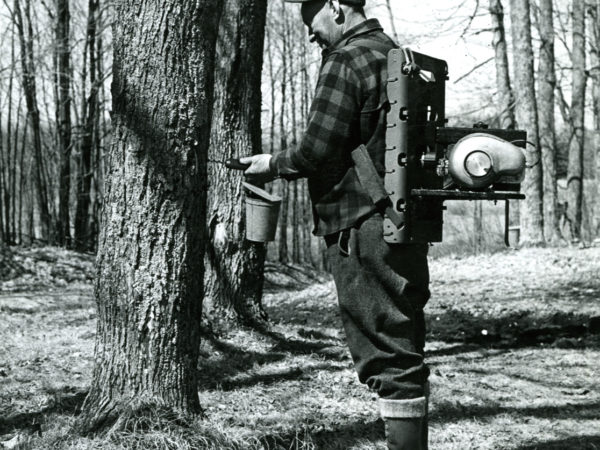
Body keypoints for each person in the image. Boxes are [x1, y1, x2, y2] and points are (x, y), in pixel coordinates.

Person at [241, 1, 430, 448]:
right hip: (400, 223)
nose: (310, 34)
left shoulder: (345, 60)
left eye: (313, 21)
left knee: (387, 356)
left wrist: (273, 163)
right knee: (402, 346)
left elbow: (316, 151)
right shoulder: (393, 52)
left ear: (336, 6)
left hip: (362, 225)